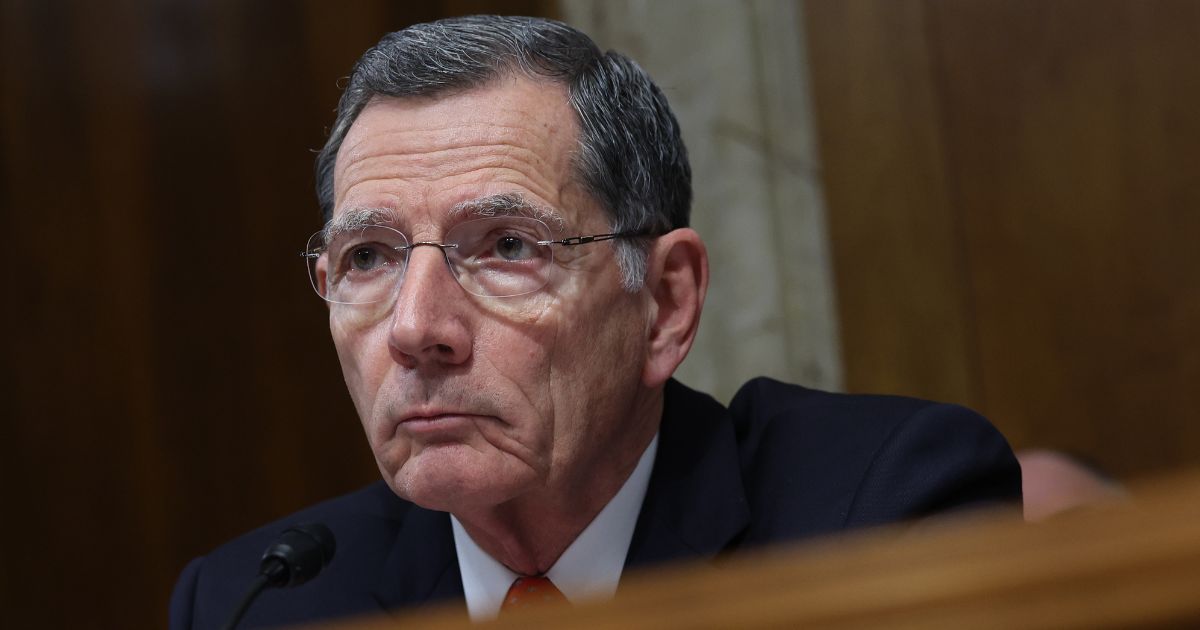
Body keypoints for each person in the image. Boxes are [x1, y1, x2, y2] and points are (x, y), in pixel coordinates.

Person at [169, 15, 1020, 629]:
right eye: (368, 258)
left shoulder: (881, 515)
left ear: (666, 303)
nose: (415, 326)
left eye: (505, 245)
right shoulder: (258, 602)